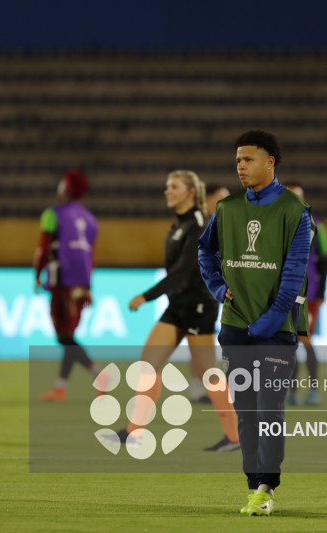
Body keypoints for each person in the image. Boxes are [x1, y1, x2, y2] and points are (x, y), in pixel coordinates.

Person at [198, 130, 313, 516]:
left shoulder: (296, 211)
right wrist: (218, 287)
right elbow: (205, 251)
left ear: (270, 162)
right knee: (246, 412)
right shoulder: (227, 209)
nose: (241, 167)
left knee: (269, 410)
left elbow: (294, 274)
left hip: (275, 331)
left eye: (248, 159)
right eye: (237, 161)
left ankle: (267, 486)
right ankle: (254, 487)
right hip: (234, 328)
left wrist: (271, 319)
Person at [104, 170, 240, 452]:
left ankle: (236, 436)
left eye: (173, 187)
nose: (167, 191)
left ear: (190, 192)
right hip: (178, 305)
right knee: (148, 364)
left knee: (208, 371)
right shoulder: (181, 223)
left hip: (198, 306)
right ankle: (134, 432)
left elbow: (183, 271)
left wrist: (146, 296)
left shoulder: (199, 224)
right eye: (167, 186)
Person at [35, 170, 100, 402]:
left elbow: (43, 248)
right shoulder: (91, 220)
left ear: (67, 188)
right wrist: (88, 287)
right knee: (69, 337)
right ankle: (60, 388)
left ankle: (100, 375)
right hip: (82, 284)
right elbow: (90, 257)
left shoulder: (52, 214)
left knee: (64, 338)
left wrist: (37, 274)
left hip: (62, 281)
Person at [284, 181, 327, 406]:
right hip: (283, 294)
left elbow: (326, 260)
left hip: (308, 293)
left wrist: (321, 292)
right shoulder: (274, 223)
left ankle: (313, 389)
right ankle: (292, 391)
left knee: (305, 339)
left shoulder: (316, 224)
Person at [186, 183, 232, 403]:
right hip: (198, 291)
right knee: (202, 339)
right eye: (222, 198)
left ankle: (198, 386)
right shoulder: (200, 226)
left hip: (208, 291)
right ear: (208, 200)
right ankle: (211, 388)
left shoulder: (217, 225)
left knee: (201, 339)